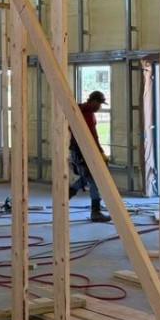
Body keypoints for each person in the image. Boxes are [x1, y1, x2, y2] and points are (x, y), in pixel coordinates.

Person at [69, 90, 111, 223]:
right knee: (94, 179)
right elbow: (91, 135)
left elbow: (92, 134)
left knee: (87, 176)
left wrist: (99, 150)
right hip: (84, 150)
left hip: (80, 149)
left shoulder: (80, 110)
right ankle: (96, 211)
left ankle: (67, 193)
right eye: (99, 104)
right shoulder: (85, 113)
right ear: (93, 101)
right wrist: (99, 151)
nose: (100, 107)